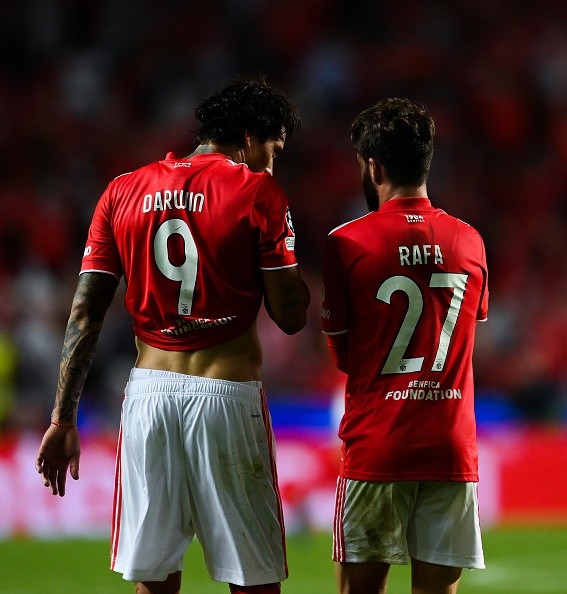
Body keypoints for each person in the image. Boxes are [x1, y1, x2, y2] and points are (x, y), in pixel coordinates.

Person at [35, 76, 311, 594]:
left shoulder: (122, 189)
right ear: (250, 136)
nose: (273, 163)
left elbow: (86, 313)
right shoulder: (258, 191)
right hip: (225, 398)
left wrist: (62, 417)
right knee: (255, 581)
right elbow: (290, 315)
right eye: (274, 149)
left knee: (154, 579)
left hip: (149, 398)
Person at [321, 98, 489, 594]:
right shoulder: (471, 241)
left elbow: (343, 356)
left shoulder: (346, 243)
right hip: (450, 446)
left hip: (380, 446)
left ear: (372, 166)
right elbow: (467, 331)